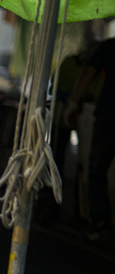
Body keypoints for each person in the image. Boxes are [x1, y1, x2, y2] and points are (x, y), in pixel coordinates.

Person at [65, 36, 115, 241]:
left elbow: (88, 74)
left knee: (97, 168)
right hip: (108, 113)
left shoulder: (110, 47)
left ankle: (100, 222)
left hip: (109, 114)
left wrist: (73, 102)